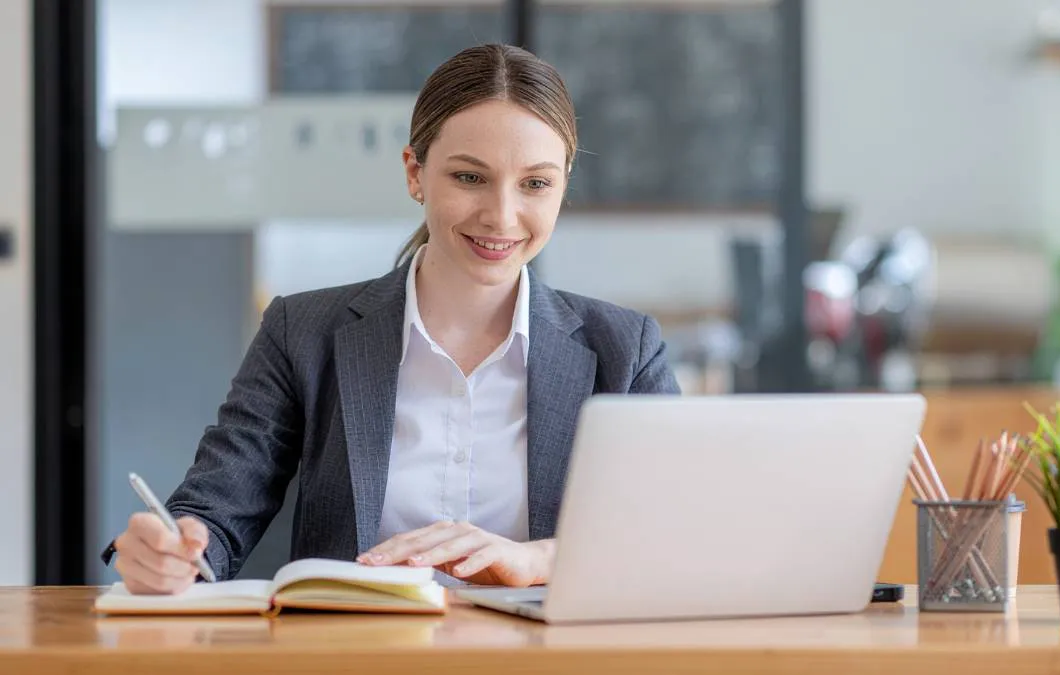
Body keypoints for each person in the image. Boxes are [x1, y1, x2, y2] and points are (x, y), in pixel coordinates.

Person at [103, 43, 681, 595]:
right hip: (356, 656)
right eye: (469, 177)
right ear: (414, 174)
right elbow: (212, 517)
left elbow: (677, 533)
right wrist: (171, 555)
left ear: (561, 187)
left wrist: (537, 560)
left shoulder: (625, 350)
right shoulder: (302, 333)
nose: (502, 215)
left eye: (535, 183)